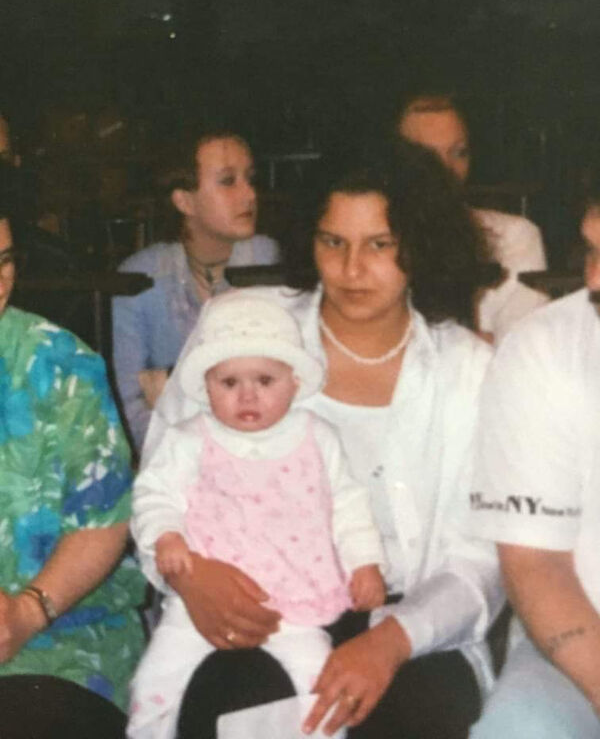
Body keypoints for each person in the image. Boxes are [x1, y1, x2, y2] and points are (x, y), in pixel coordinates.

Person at [143, 141, 503, 739]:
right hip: (259, 614)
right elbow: (160, 481)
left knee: (407, 714)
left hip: (410, 627)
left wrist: (390, 642)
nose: (351, 269)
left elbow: (482, 558)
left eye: (380, 245)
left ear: (422, 246)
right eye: (333, 242)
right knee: (238, 703)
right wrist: (189, 576)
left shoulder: (468, 370)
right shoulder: (244, 327)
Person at [128, 291, 386, 738]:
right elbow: (153, 494)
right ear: (207, 385)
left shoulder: (318, 437)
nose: (247, 396)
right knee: (155, 681)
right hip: (200, 607)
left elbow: (348, 504)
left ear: (294, 382)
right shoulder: (189, 439)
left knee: (319, 685)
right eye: (229, 383)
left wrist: (364, 562)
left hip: (294, 605)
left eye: (265, 380)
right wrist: (166, 534)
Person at [0, 202, 146, 737]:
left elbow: (105, 519)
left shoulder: (60, 365)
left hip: (60, 640)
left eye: (4, 260)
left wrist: (27, 612)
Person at [468, 190, 600, 737]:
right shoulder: (543, 349)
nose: (595, 280)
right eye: (592, 251)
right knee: (520, 730)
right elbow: (535, 562)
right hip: (579, 644)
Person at [112, 128, 280, 454]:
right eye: (228, 181)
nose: (249, 194)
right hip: (172, 466)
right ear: (184, 201)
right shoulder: (138, 278)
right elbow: (129, 404)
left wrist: (168, 384)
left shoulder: (271, 262)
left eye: (250, 179)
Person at [397, 93, 549, 342]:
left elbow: (523, 350)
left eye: (459, 153)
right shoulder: (366, 241)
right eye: (426, 157)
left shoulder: (512, 236)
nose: (446, 170)